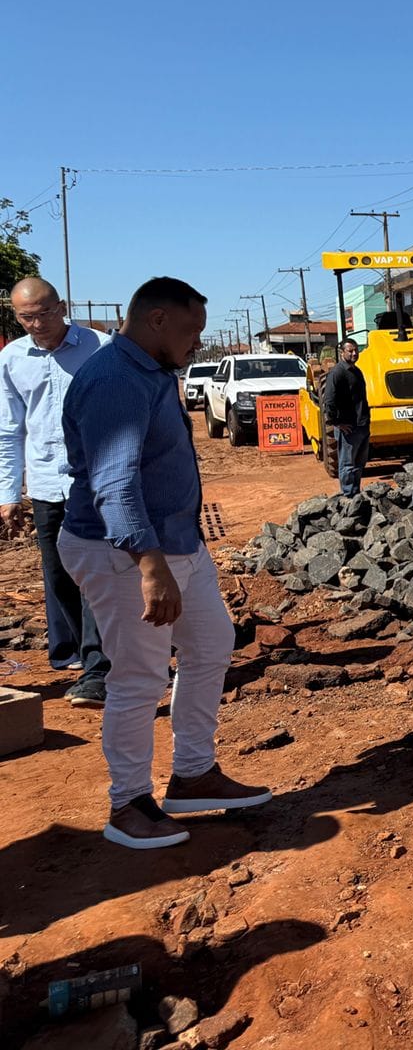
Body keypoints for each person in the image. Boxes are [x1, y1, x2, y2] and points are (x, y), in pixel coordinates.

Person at [58, 277, 271, 849]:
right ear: (156, 320)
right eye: (192, 331)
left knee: (211, 644)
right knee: (139, 676)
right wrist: (150, 566)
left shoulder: (149, 372)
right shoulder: (115, 380)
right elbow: (114, 483)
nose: (198, 343)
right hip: (125, 552)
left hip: (176, 545)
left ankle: (193, 774)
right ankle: (127, 803)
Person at [0, 278, 112, 706]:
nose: (37, 323)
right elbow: (9, 431)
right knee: (59, 572)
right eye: (26, 317)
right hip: (46, 483)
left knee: (96, 572)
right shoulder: (12, 359)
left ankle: (99, 668)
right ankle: (78, 654)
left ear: (62, 307)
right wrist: (9, 493)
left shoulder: (101, 348)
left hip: (94, 481)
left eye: (45, 313)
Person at [321, 337, 370, 498]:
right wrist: (337, 422)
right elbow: (329, 400)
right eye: (350, 351)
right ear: (342, 353)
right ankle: (348, 496)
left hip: (361, 425)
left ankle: (356, 494)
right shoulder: (338, 373)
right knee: (348, 464)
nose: (354, 353)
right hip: (348, 427)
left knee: (359, 463)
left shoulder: (356, 371)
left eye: (356, 350)